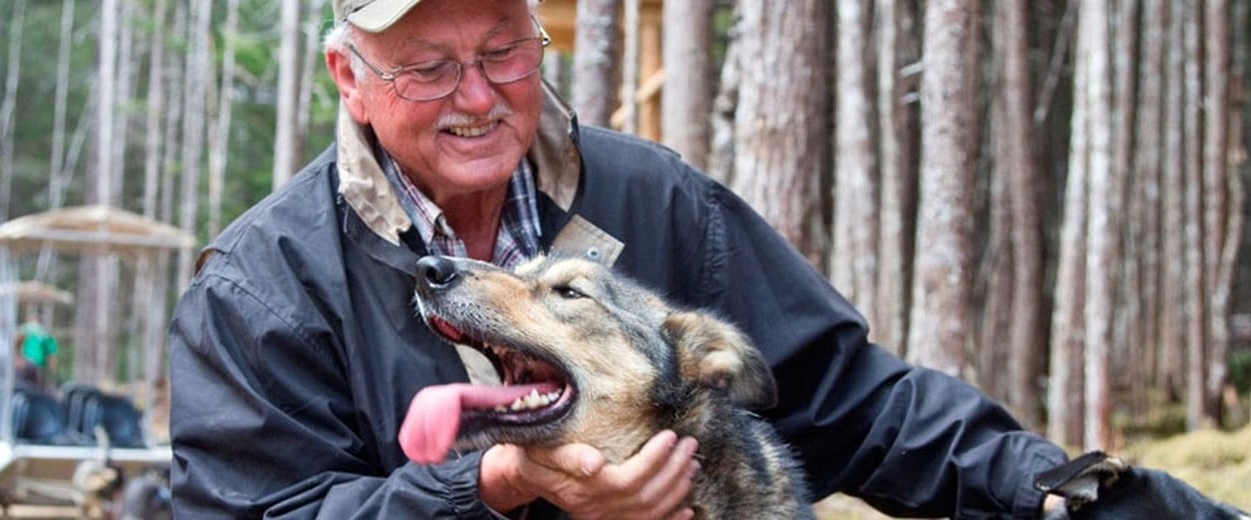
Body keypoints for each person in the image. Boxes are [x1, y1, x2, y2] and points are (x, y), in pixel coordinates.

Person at [167, 1, 1250, 518]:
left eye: (504, 49)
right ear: (346, 76)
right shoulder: (264, 286)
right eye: (426, 67)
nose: (476, 95)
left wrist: (1069, 494)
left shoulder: (653, 198)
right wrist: (488, 483)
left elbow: (855, 406)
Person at [13, 317, 57, 392]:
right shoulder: (44, 334)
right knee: (34, 387)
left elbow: (51, 353)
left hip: (30, 364)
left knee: (30, 387)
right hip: (32, 364)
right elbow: (51, 354)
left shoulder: (27, 329)